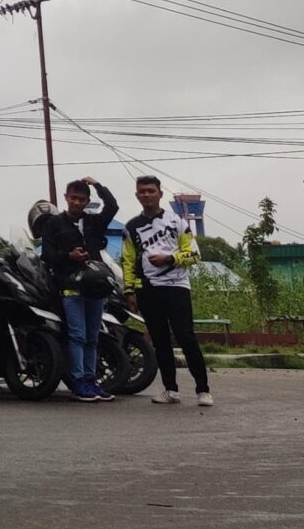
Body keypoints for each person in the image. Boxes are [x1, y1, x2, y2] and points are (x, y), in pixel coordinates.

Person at [121, 174, 213, 406]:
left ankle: (203, 390)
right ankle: (170, 390)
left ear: (160, 194)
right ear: (137, 195)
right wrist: (129, 291)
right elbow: (128, 261)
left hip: (177, 287)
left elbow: (195, 255)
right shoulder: (131, 227)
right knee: (160, 341)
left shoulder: (177, 221)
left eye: (151, 191)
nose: (146, 195)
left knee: (185, 337)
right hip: (148, 289)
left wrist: (169, 259)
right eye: (142, 191)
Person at [37, 176, 120, 403]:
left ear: (86, 201)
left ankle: (91, 380)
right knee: (77, 336)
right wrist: (69, 256)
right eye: (73, 198)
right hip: (70, 287)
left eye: (81, 199)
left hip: (95, 286)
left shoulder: (94, 222)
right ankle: (78, 381)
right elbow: (47, 255)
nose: (76, 202)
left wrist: (98, 185)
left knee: (93, 337)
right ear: (66, 197)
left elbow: (112, 206)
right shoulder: (53, 224)